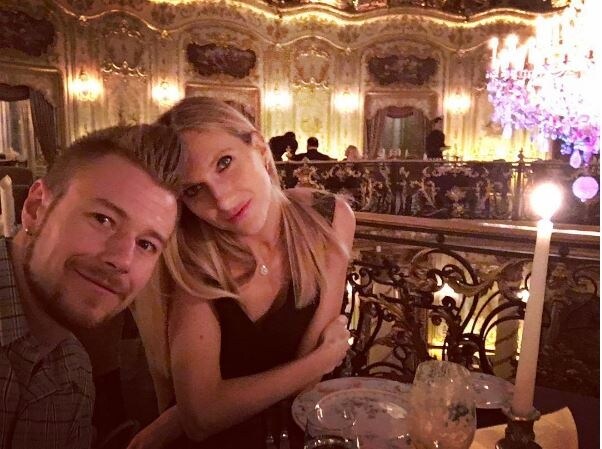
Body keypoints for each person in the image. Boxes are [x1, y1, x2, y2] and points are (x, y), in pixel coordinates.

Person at [128, 97, 355, 449]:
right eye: (194, 190)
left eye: (224, 163)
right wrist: (320, 361)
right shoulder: (196, 258)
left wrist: (182, 417)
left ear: (260, 149)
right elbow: (202, 418)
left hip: (297, 426)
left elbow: (309, 367)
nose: (221, 200)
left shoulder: (329, 218)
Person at [0, 124, 183, 448]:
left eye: (146, 244)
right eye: (103, 219)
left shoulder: (73, 374)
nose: (122, 260)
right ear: (35, 208)